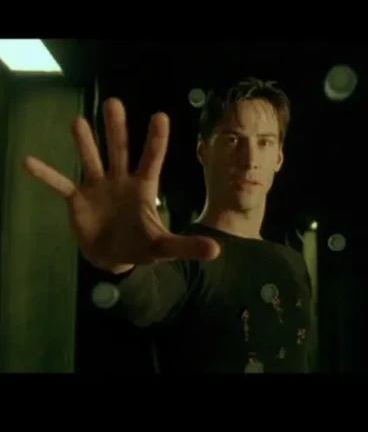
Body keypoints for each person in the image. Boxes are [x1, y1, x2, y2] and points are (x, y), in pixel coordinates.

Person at [23, 77, 313, 373]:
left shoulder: (292, 262)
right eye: (232, 139)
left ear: (279, 156)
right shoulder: (183, 258)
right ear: (203, 150)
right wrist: (121, 265)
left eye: (264, 142)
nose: (250, 160)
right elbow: (146, 299)